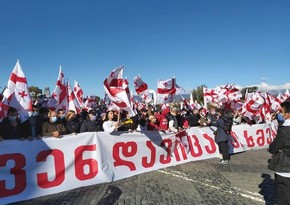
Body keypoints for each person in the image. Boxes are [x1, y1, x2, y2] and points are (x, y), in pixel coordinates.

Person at [268, 101, 290, 204]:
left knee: (284, 198)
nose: (280, 114)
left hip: (285, 170)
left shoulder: (285, 130)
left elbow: (273, 148)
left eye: (281, 111)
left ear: (288, 114)